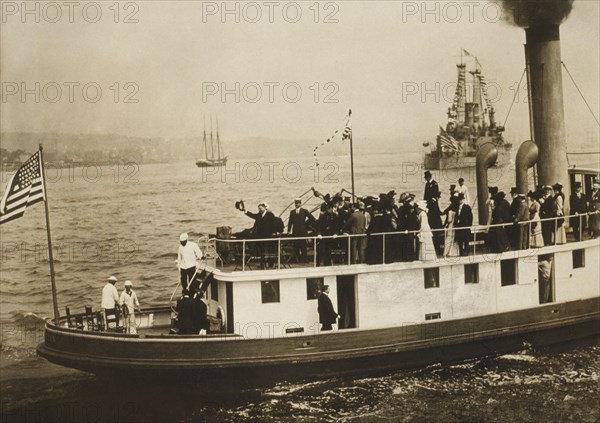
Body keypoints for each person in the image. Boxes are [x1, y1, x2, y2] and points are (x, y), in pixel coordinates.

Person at [241, 202, 277, 268]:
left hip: (268, 236)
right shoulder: (259, 215)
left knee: (269, 250)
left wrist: (274, 232)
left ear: (264, 208)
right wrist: (246, 211)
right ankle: (262, 264)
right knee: (261, 250)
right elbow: (253, 215)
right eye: (259, 208)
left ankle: (271, 264)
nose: (259, 209)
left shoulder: (270, 215)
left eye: (261, 208)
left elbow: (273, 224)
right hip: (260, 236)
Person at [287, 198, 316, 263]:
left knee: (303, 246)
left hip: (303, 231)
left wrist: (306, 224)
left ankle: (305, 259)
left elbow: (312, 218)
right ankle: (297, 259)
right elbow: (290, 222)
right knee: (296, 246)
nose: (296, 204)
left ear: (300, 204)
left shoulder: (304, 211)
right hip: (295, 231)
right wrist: (289, 230)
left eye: (298, 203)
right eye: (296, 203)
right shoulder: (292, 212)